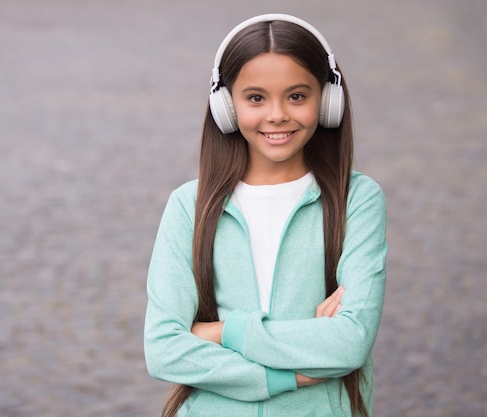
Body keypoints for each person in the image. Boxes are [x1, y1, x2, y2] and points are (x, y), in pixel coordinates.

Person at [144, 14, 387, 417]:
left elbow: (350, 342)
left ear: (328, 101)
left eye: (296, 96)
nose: (277, 115)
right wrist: (287, 374)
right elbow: (164, 349)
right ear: (226, 106)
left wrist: (223, 332)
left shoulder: (356, 200)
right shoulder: (189, 206)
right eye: (256, 98)